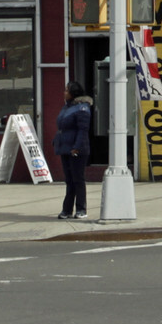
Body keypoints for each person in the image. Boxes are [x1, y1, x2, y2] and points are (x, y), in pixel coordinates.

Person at [54, 81, 94, 220]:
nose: (64, 92)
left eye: (67, 90)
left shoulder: (82, 108)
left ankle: (81, 209)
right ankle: (67, 210)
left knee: (78, 179)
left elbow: (83, 130)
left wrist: (76, 147)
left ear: (73, 93)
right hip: (65, 148)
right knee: (69, 180)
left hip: (76, 149)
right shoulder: (67, 107)